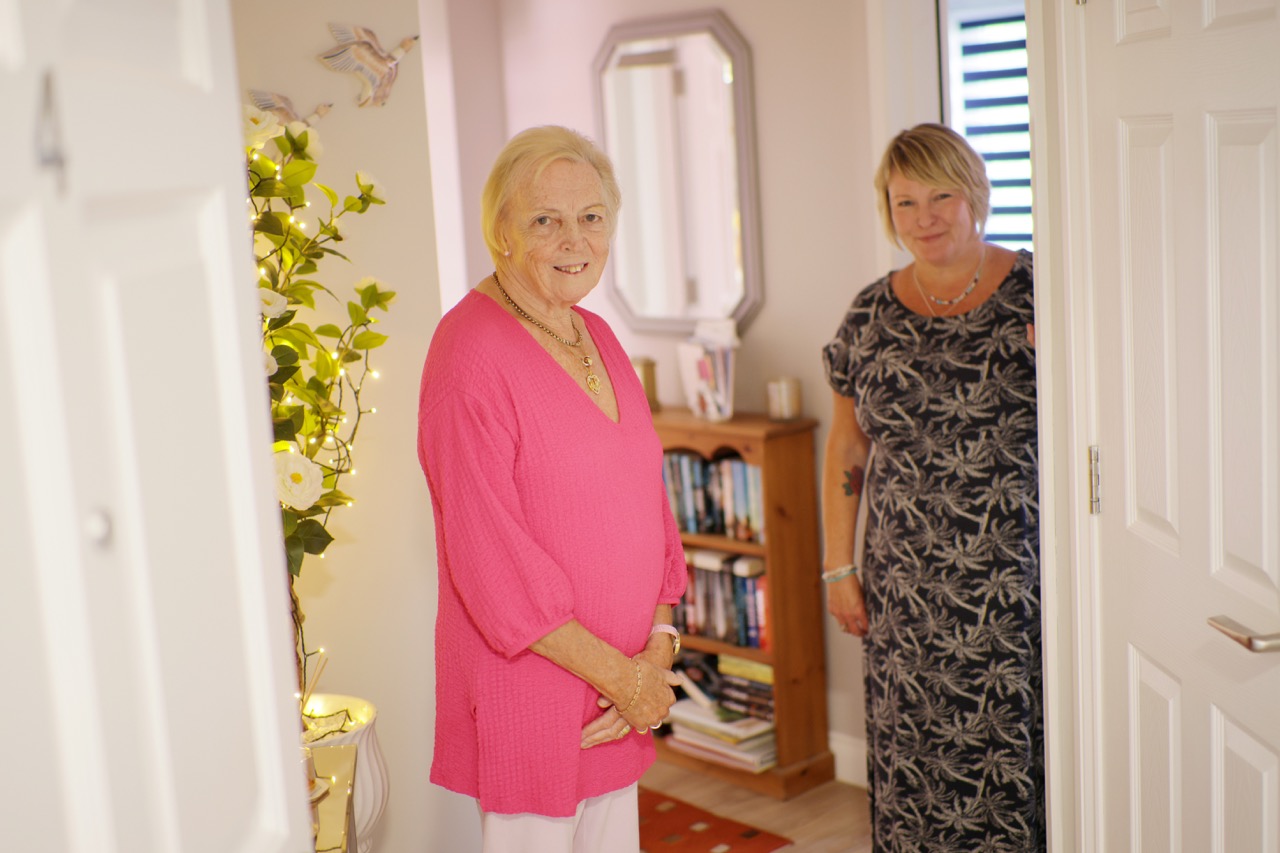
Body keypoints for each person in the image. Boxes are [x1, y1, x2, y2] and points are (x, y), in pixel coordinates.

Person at [416, 125, 686, 853]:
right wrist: (624, 679)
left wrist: (657, 648)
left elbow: (648, 498)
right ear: (501, 230)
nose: (575, 238)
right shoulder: (468, 352)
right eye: (546, 220)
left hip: (618, 687)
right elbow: (489, 561)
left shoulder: (596, 332)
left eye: (591, 217)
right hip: (535, 690)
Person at [820, 123, 1044, 851]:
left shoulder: (1041, 293)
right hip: (902, 590)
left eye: (942, 195)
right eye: (905, 201)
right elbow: (847, 444)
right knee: (911, 759)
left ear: (975, 192)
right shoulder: (869, 313)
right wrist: (839, 566)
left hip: (1010, 583)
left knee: (1008, 761)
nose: (925, 217)